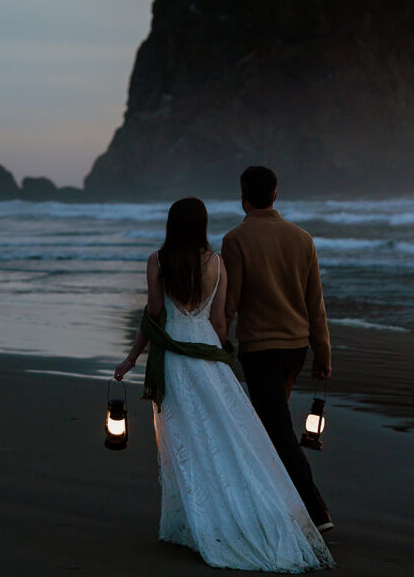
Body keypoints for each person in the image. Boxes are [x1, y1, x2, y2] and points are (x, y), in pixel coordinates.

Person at [114, 197, 334, 572]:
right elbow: (219, 323)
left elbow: (153, 316)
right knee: (226, 438)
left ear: (172, 223)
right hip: (208, 358)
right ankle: (245, 514)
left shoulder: (158, 260)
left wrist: (133, 356)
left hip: (174, 362)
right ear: (202, 224)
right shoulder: (217, 263)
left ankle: (201, 523)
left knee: (186, 443)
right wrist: (220, 361)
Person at [221, 166, 333, 531]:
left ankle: (317, 514)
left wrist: (216, 341)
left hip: (259, 349)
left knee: (277, 431)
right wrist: (323, 353)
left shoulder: (236, 239)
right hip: (296, 348)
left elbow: (230, 301)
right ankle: (277, 508)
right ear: (275, 194)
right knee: (274, 426)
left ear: (244, 198)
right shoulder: (302, 238)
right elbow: (315, 302)